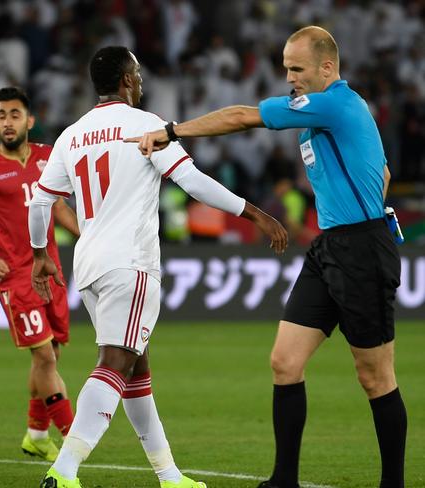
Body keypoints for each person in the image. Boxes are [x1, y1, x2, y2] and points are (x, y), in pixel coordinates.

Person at [130, 26, 406, 488]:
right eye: (285, 69)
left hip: (361, 249)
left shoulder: (336, 102)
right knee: (284, 362)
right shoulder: (331, 115)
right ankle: (284, 480)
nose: (290, 77)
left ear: (327, 68)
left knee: (375, 375)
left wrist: (171, 132)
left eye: (297, 69)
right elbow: (383, 172)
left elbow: (241, 116)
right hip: (331, 247)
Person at [28, 46, 287, 488]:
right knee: (116, 361)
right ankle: (64, 471)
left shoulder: (71, 135)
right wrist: (255, 213)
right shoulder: (147, 125)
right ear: (127, 80)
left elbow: (40, 201)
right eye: (139, 73)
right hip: (131, 263)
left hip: (89, 267)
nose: (142, 81)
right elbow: (191, 180)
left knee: (136, 368)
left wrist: (39, 254)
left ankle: (168, 476)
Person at [0, 86, 80, 462]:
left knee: (51, 355)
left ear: (30, 120)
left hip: (50, 271)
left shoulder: (47, 157)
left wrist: (86, 236)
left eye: (14, 114)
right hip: (15, 278)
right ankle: (73, 439)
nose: (7, 122)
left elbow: (57, 204)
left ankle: (36, 435)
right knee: (44, 357)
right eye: (1, 115)